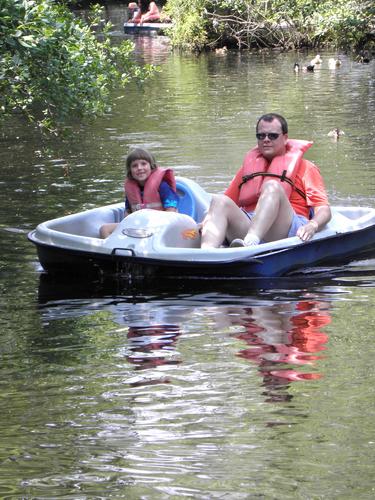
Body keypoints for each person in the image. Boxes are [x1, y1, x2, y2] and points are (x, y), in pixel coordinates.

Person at [200, 112, 331, 248]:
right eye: (261, 136)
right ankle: (207, 255)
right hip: (250, 222)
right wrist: (205, 222)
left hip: (284, 228)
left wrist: (312, 225)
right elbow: (225, 204)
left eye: (272, 136)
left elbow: (324, 210)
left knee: (272, 186)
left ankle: (251, 242)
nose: (266, 139)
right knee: (219, 200)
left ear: (285, 138)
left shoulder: (307, 168)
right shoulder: (247, 169)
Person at [100, 148, 179, 239]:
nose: (139, 168)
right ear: (130, 170)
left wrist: (155, 225)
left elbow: (171, 211)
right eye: (134, 166)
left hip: (161, 226)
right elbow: (128, 213)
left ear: (151, 166)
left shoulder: (162, 186)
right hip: (138, 226)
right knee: (104, 229)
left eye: (143, 164)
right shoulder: (131, 189)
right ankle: (112, 252)